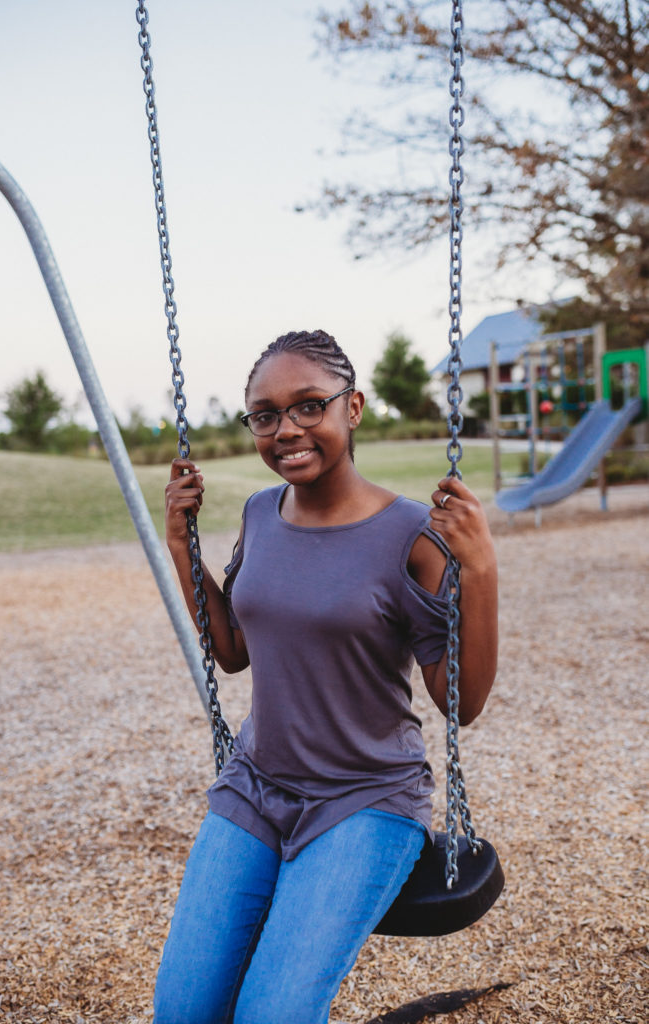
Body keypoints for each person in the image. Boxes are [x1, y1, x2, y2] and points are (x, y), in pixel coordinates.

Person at [155, 330, 498, 1024]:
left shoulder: (413, 534)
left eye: (310, 406)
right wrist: (178, 545)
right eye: (266, 414)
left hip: (363, 801)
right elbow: (233, 651)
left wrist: (481, 571)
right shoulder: (259, 512)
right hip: (255, 787)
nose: (287, 430)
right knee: (182, 1012)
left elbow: (459, 703)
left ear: (354, 408)